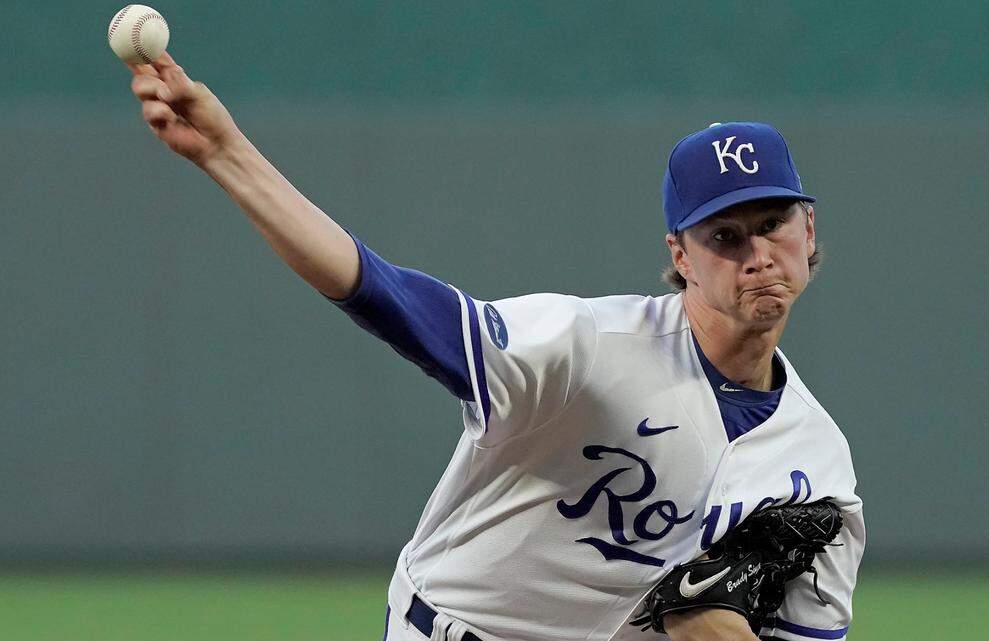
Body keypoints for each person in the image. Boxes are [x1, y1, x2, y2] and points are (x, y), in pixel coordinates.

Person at [126, 54, 864, 641]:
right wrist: (227, 155)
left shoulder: (819, 466)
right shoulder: (589, 348)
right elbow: (390, 297)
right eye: (725, 236)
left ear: (808, 230)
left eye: (773, 222)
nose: (757, 252)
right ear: (681, 254)